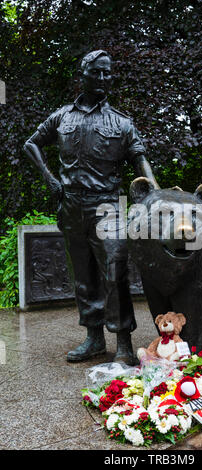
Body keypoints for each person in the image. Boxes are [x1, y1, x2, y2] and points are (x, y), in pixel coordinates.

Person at [24, 49, 159, 365]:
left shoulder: (121, 123)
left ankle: (123, 340)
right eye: (96, 72)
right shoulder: (62, 117)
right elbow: (31, 143)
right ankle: (94, 338)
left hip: (107, 208)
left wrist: (153, 192)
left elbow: (139, 158)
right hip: (71, 207)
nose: (102, 78)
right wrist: (51, 180)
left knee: (115, 272)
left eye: (107, 73)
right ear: (82, 75)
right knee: (82, 276)